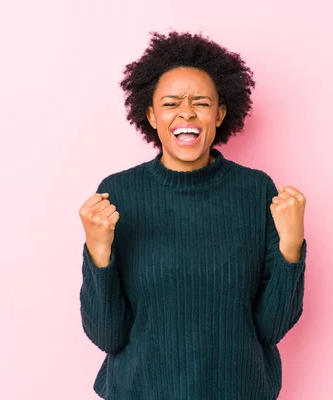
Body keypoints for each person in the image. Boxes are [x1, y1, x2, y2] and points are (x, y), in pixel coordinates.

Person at [78, 31, 307, 399]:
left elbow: (271, 328)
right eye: (171, 103)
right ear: (151, 115)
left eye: (200, 102)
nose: (186, 112)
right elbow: (107, 335)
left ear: (220, 113)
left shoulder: (257, 191)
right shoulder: (117, 194)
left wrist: (291, 248)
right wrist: (98, 255)